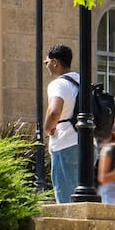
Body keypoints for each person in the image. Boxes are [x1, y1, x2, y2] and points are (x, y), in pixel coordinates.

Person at [43, 46, 82, 201]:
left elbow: (54, 111)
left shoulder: (58, 84)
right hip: (89, 145)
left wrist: (47, 128)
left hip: (65, 144)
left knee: (66, 200)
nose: (46, 66)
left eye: (46, 62)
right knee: (82, 199)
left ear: (55, 63)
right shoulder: (82, 81)